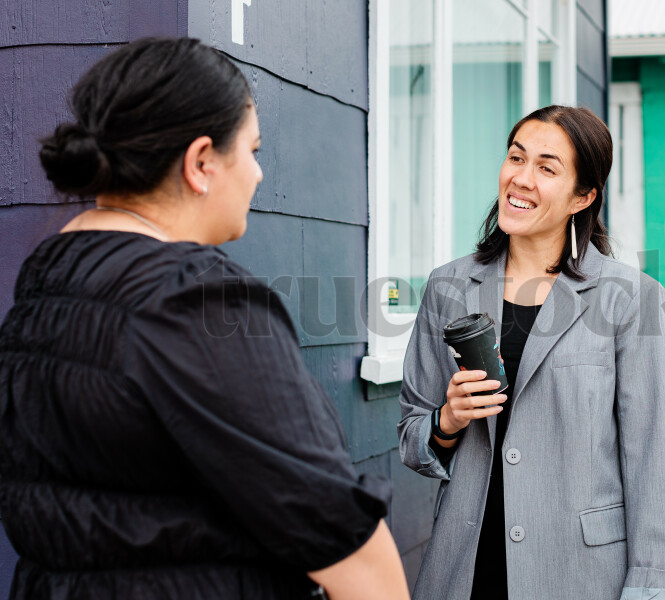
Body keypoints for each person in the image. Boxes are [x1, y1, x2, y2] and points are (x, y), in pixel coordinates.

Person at [0, 37, 410, 600]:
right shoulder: (196, 301)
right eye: (253, 151)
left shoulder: (46, 281)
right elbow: (351, 551)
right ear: (200, 163)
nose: (259, 176)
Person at [398, 105, 665, 600]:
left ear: (583, 196)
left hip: (580, 574)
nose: (521, 179)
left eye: (546, 168)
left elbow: (653, 463)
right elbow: (411, 438)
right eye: (516, 158)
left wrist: (654, 589)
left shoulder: (632, 299)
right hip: (465, 569)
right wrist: (449, 419)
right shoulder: (447, 287)